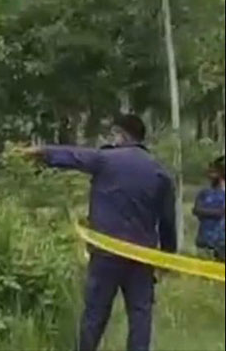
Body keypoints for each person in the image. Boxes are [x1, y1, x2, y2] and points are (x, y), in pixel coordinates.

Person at [22, 114, 177, 351]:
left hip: (106, 255)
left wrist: (42, 152)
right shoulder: (160, 172)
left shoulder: (106, 159)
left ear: (121, 134)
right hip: (142, 258)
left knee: (94, 315)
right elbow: (167, 221)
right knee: (140, 316)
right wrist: (166, 258)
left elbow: (74, 156)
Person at [193, 156, 225, 258]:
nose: (210, 175)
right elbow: (196, 210)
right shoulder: (205, 193)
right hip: (205, 242)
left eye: (214, 171)